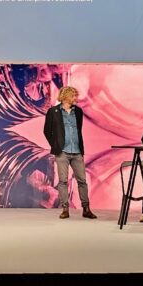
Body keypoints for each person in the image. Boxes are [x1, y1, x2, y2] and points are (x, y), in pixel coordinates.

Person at [42, 86, 97, 219]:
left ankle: (86, 208)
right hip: (62, 152)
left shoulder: (78, 112)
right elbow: (46, 131)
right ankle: (65, 208)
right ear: (66, 96)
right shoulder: (53, 111)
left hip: (77, 152)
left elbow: (79, 129)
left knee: (82, 181)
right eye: (73, 96)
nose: (75, 99)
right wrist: (55, 145)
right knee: (63, 181)